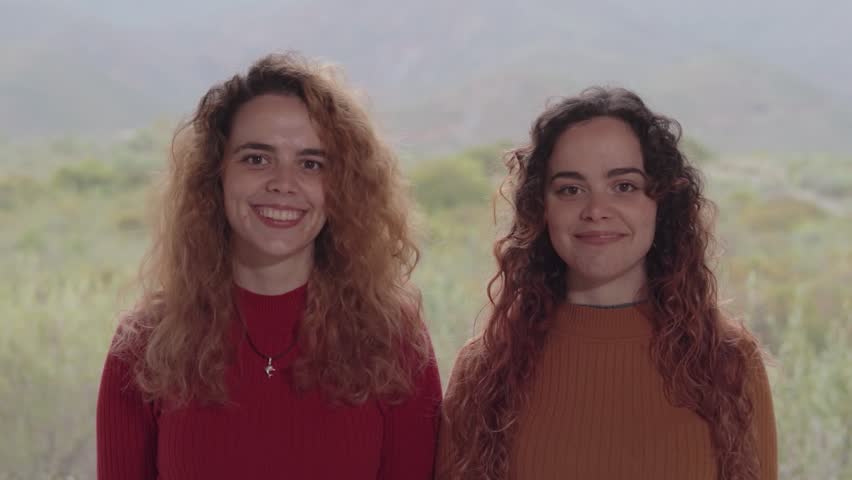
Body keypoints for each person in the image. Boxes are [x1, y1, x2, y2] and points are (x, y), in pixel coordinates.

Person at [96, 52, 441, 480]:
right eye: (256, 158)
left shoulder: (394, 341)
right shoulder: (145, 346)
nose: (283, 183)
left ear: (345, 188)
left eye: (312, 164)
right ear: (215, 175)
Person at [436, 87, 777, 479]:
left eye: (624, 186)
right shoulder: (485, 370)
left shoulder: (729, 362)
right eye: (571, 189)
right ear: (542, 209)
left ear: (661, 202)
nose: (596, 210)